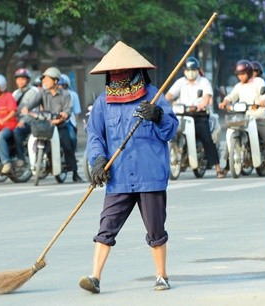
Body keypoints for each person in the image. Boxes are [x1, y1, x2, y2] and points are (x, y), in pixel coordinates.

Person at [79, 41, 178, 293]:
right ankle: (94, 277)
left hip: (150, 175)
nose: (119, 77)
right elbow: (94, 136)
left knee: (156, 229)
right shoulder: (103, 103)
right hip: (118, 177)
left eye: (124, 71)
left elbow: (171, 130)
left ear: (137, 71)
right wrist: (98, 161)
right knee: (106, 227)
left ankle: (161, 276)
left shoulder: (153, 96)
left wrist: (158, 115)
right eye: (114, 72)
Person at [165, 56, 225, 178]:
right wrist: (166, 101)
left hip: (199, 115)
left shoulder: (203, 82)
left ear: (198, 70)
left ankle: (218, 167)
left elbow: (207, 97)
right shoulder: (180, 82)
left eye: (193, 69)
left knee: (207, 139)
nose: (190, 72)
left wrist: (200, 105)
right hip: (182, 115)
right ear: (184, 70)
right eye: (188, 70)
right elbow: (169, 95)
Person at [22, 67, 83, 183]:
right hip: (45, 124)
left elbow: (68, 110)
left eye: (47, 79)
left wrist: (64, 114)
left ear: (55, 81)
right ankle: (36, 164)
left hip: (60, 125)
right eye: (43, 79)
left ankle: (74, 172)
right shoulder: (42, 93)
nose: (44, 82)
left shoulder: (66, 94)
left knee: (68, 144)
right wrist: (26, 108)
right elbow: (32, 104)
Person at [218, 60, 265, 160]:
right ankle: (226, 165)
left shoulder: (258, 81)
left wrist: (263, 100)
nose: (240, 77)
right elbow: (231, 96)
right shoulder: (239, 86)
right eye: (239, 74)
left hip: (258, 116)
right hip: (243, 117)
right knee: (230, 136)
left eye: (243, 74)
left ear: (249, 73)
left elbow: (264, 93)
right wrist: (224, 102)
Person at [12, 68, 40, 167]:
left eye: (23, 79)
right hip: (17, 121)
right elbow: (12, 110)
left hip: (30, 122)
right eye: (18, 79)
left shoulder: (34, 91)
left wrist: (23, 121)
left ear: (28, 80)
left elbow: (34, 109)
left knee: (17, 132)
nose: (20, 81)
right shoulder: (15, 93)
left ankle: (21, 158)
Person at [59, 73, 82, 151]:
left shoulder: (73, 95)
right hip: (55, 120)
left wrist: (75, 123)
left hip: (69, 121)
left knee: (72, 138)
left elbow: (76, 111)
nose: (60, 87)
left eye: (62, 84)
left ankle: (72, 154)